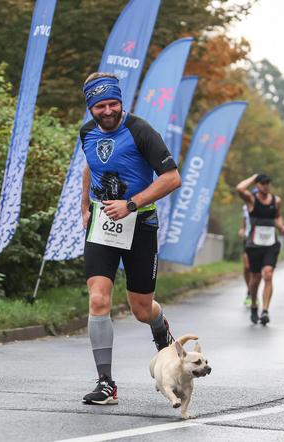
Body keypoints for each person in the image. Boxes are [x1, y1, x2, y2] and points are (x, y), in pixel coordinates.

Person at [79, 73, 182, 405]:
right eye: (100, 106)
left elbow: (171, 177)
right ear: (90, 108)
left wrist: (132, 204)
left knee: (141, 309)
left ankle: (162, 333)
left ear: (121, 103)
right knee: (98, 299)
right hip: (103, 225)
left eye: (113, 104)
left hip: (140, 223)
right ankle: (106, 383)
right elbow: (90, 166)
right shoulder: (87, 133)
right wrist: (84, 207)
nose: (107, 111)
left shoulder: (140, 131)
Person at [236, 173, 284, 326]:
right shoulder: (251, 200)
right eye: (263, 183)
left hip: (271, 243)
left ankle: (265, 310)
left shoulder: (276, 200)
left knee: (268, 274)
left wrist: (281, 227)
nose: (266, 185)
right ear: (257, 185)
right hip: (254, 244)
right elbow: (239, 188)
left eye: (267, 183)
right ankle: (254, 305)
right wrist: (254, 177)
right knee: (255, 279)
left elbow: (277, 217)